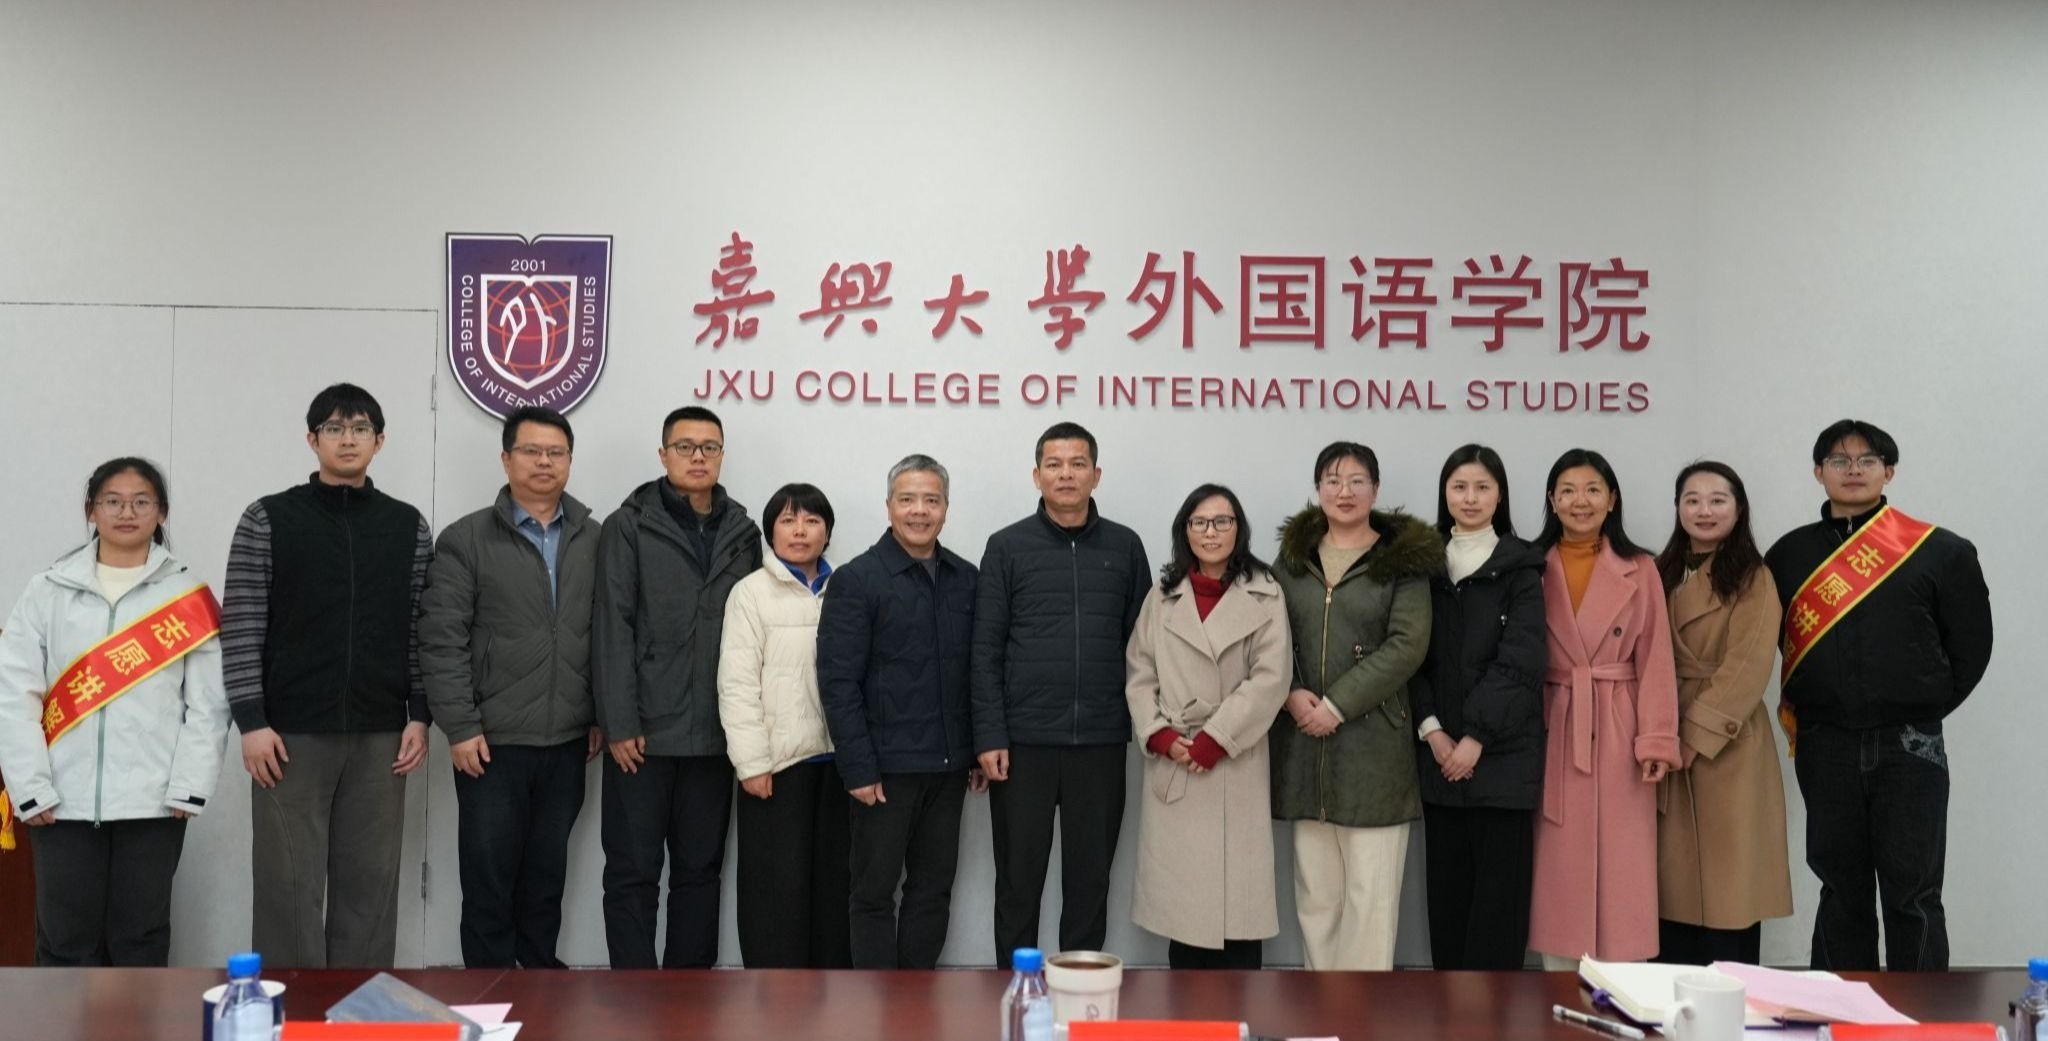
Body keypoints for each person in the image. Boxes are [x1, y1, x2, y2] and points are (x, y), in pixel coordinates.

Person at [1764, 419, 1991, 971]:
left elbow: (1971, 648)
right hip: (1825, 743)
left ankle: (1919, 1012)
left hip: (1910, 745)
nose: (1853, 470)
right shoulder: (1788, 555)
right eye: (1839, 461)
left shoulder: (1940, 550)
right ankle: (1838, 1009)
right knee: (1840, 891)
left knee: (1914, 894)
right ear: (1818, 472)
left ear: (1889, 472)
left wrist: (1917, 703)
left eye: (1867, 460)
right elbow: (1771, 639)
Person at [224, 382, 433, 969]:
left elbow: (419, 626)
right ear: (312, 439)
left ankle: (360, 1008)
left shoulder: (407, 526)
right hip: (288, 736)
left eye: (360, 428)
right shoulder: (269, 518)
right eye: (335, 429)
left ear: (379, 441)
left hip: (381, 734)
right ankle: (292, 1009)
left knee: (371, 886)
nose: (348, 439)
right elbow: (241, 622)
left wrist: (419, 714)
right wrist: (251, 721)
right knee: (287, 886)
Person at [0, 458, 230, 965]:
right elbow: (13, 694)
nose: (127, 512)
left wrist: (189, 784)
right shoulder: (48, 589)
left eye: (141, 501)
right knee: (63, 943)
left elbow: (209, 705)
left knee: (140, 941)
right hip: (60, 803)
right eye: (113, 501)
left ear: (161, 512)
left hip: (154, 801)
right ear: (91, 510)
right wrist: (30, 787)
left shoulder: (186, 595)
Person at [419, 406, 602, 969]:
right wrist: (460, 726)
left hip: (568, 740)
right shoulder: (467, 539)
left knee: (547, 876)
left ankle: (539, 982)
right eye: (531, 451)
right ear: (506, 459)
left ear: (569, 460)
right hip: (490, 743)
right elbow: (442, 640)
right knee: (489, 879)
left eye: (556, 452)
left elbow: (606, 634)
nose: (544, 462)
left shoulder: (595, 538)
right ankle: (489, 989)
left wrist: (599, 713)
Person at [971, 422, 1151, 968]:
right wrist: (990, 734)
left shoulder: (1125, 546)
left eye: (1077, 464)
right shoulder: (1006, 546)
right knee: (1018, 880)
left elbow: (1144, 646)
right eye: (1054, 464)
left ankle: (1081, 990)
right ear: (1037, 475)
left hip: (1099, 741)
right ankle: (1016, 989)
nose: (1066, 474)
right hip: (1022, 745)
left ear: (1096, 474)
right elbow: (985, 648)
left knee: (1090, 881)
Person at [594, 405, 762, 969]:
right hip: (642, 734)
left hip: (715, 735)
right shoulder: (629, 525)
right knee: (632, 871)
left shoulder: (743, 532)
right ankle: (635, 991)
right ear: (663, 454)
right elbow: (612, 626)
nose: (698, 457)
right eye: (685, 446)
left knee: (700, 872)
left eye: (709, 447)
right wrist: (619, 722)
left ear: (721, 456)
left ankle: (689, 993)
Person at [1270, 441, 1441, 971]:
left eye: (1357, 481)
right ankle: (1321, 1007)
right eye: (1332, 481)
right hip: (1304, 748)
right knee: (1316, 898)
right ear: (1317, 489)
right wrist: (1290, 692)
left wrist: (1338, 704)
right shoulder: (1292, 561)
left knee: (1371, 900)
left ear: (1376, 489)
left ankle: (1361, 1012)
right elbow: (1268, 635)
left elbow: (1408, 645)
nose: (1344, 492)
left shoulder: (1401, 562)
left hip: (1375, 751)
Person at [817, 454, 982, 969]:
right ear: (889, 506)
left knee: (932, 890)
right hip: (883, 771)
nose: (919, 511)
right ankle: (875, 1003)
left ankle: (916, 998)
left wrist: (977, 748)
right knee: (872, 894)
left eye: (931, 500)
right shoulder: (858, 579)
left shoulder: (966, 578)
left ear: (946, 508)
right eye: (907, 499)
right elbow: (838, 681)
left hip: (949, 768)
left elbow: (976, 672)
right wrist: (858, 767)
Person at [1527, 449, 1681, 967]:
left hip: (1619, 726)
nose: (1581, 501)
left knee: (1622, 860)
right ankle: (1559, 978)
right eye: (1568, 490)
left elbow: (1655, 657)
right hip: (1554, 723)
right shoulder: (1529, 565)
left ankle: (1623, 986)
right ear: (1552, 500)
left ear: (1612, 499)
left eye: (1593, 489)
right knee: (1559, 863)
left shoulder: (1640, 568)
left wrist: (1656, 738)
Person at [1125, 484, 1289, 969]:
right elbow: (1139, 672)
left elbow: (1271, 678)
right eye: (1199, 522)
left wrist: (1215, 740)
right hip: (1177, 760)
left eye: (1222, 521)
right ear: (1185, 531)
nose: (1211, 532)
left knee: (1238, 910)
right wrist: (1161, 735)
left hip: (1235, 758)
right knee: (1186, 911)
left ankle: (1240, 1008)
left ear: (1239, 529)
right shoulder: (1162, 596)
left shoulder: (1265, 592)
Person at [1410, 444, 1547, 970]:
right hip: (1439, 759)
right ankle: (1450, 1013)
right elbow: (1412, 656)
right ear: (1444, 493)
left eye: (1483, 487)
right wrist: (1433, 730)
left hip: (1502, 763)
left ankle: (1493, 1015)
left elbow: (1522, 660)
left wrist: (1475, 739)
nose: (1470, 498)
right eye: (1460, 487)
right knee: (1448, 908)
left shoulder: (1522, 565)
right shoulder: (1423, 565)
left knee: (1498, 911)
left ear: (1500, 495)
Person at [1650, 461, 1790, 965]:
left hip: (1727, 745)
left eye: (1717, 500)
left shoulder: (1754, 577)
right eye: (1692, 500)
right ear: (1678, 508)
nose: (1704, 510)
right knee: (1670, 890)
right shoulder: (1659, 571)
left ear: (1739, 508)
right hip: (1661, 733)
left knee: (1728, 889)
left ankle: (1731, 1000)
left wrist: (1693, 735)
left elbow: (1747, 667)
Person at [717, 482, 852, 968]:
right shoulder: (750, 594)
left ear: (827, 532)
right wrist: (752, 763)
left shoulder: (848, 588)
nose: (800, 531)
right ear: (770, 531)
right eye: (788, 520)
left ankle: (831, 993)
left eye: (812, 521)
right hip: (777, 767)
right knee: (776, 890)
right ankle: (774, 995)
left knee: (833, 887)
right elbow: (736, 684)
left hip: (839, 765)